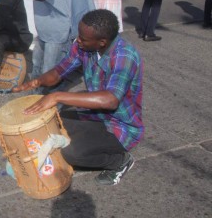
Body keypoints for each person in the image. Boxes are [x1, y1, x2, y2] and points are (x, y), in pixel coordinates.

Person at [14, 9, 142, 186]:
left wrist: (57, 96)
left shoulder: (124, 56)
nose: (78, 40)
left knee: (71, 153)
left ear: (102, 42)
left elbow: (110, 100)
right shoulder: (84, 46)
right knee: (50, 125)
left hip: (118, 125)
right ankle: (88, 142)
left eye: (83, 38)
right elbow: (60, 71)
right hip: (93, 114)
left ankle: (120, 161)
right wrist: (36, 81)